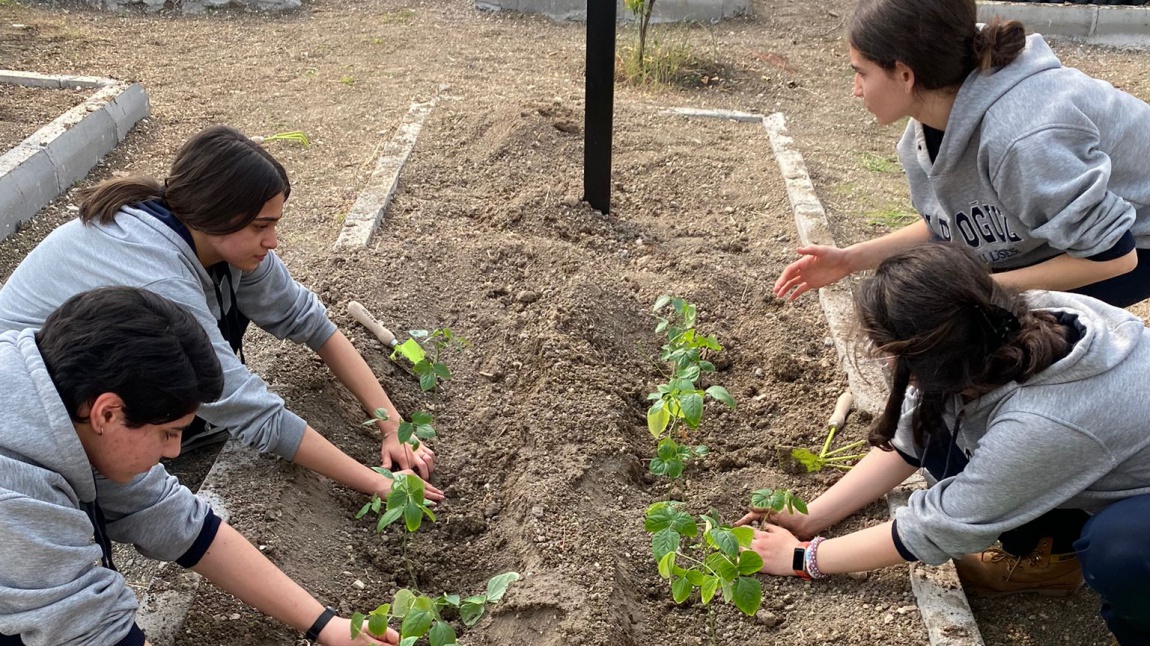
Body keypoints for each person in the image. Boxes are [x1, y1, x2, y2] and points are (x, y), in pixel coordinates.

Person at [0, 125, 442, 504]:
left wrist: (393, 427)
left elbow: (311, 322)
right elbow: (252, 411)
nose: (272, 241)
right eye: (260, 226)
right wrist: (379, 484)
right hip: (27, 419)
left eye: (274, 224)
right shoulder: (159, 279)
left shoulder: (221, 242)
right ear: (216, 214)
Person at [744, 244, 1150, 645]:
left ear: (928, 356)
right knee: (945, 428)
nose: (884, 361)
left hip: (1116, 480)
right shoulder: (999, 320)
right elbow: (914, 438)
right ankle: (1052, 562)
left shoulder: (1042, 423)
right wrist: (809, 518)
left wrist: (802, 559)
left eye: (885, 353)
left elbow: (938, 526)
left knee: (1123, 554)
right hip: (1101, 447)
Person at [0, 287, 397, 646]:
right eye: (168, 433)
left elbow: (179, 522)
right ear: (108, 413)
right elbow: (90, 634)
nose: (174, 452)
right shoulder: (17, 492)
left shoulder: (65, 403)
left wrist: (325, 624)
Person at [774, 0, 1150, 309]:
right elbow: (953, 223)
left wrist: (977, 291)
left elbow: (1113, 256)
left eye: (861, 73)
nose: (856, 89)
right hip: (1090, 234)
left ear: (905, 75)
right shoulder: (930, 122)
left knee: (998, 336)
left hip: (1133, 239)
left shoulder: (1021, 138)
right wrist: (850, 260)